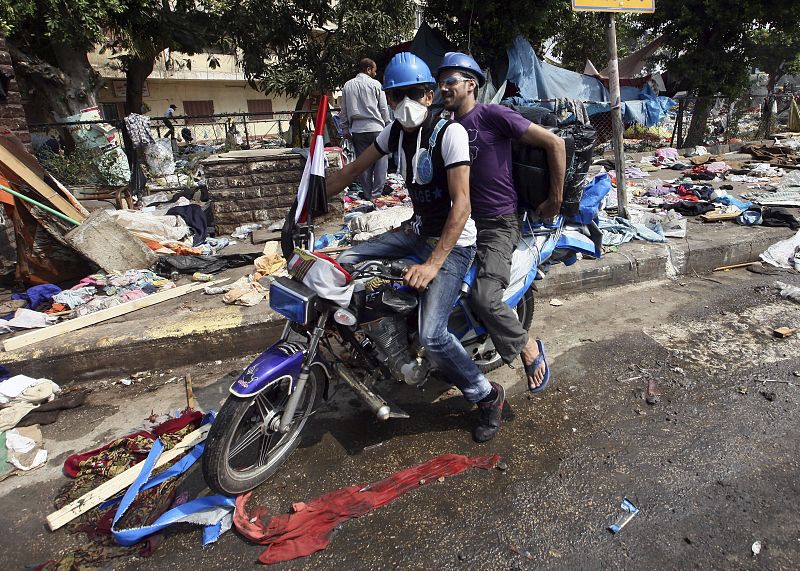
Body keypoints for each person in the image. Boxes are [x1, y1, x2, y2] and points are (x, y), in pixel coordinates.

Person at [327, 52, 506, 443]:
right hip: (417, 230)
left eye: (414, 93)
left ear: (429, 95)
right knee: (344, 261)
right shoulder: (393, 132)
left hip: (453, 243)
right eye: (397, 95)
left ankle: (485, 395)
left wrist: (432, 263)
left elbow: (462, 206)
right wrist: (307, 201)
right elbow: (353, 170)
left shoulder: (449, 133)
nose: (405, 102)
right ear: (388, 100)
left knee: (432, 335)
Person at [436, 52, 566, 394]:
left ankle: (527, 347)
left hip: (497, 223)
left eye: (449, 81)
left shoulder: (492, 115)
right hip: (459, 223)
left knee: (484, 297)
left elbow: (554, 143)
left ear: (471, 84)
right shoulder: (445, 128)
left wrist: (555, 198)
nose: (442, 88)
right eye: (440, 82)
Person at [339, 58, 391, 199]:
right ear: (368, 69)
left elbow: (343, 110)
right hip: (377, 128)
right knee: (381, 162)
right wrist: (388, 125)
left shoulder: (348, 86)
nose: (375, 73)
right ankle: (377, 194)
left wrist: (345, 129)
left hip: (358, 130)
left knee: (363, 164)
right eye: (374, 70)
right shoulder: (376, 85)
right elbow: (384, 109)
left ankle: (368, 194)